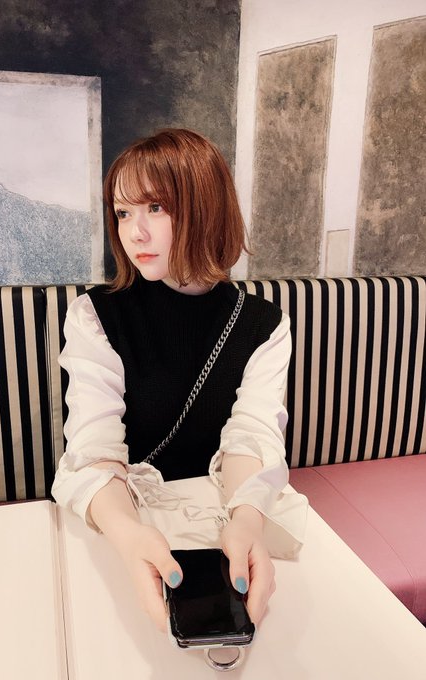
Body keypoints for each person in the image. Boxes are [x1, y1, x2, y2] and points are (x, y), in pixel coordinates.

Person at [51, 128, 307, 633]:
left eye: (156, 208)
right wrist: (129, 536)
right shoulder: (95, 317)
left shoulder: (264, 325)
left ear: (205, 207)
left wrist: (247, 520)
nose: (134, 232)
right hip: (118, 516)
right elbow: (94, 446)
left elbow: (251, 435)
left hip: (221, 517)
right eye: (123, 213)